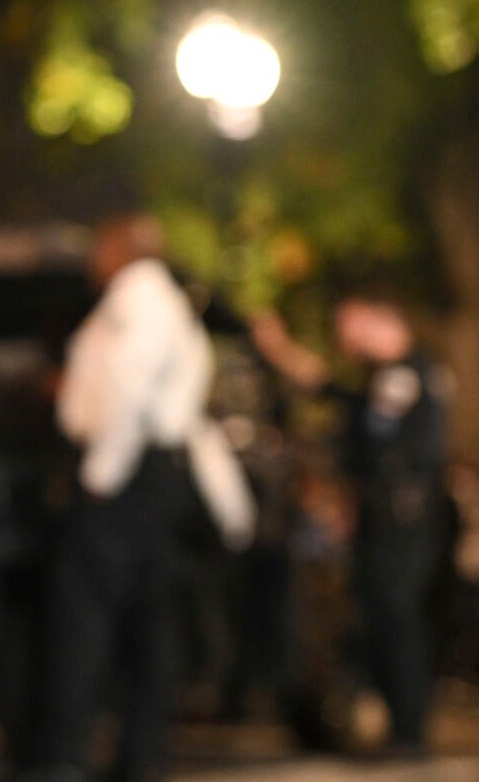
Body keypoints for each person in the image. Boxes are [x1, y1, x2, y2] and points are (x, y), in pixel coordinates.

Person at [31, 215, 213, 782]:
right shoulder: (152, 302)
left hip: (128, 476)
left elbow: (128, 397)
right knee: (143, 622)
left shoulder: (141, 302)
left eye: (101, 246)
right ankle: (135, 754)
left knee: (88, 620)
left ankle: (69, 755)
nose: (93, 258)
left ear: (124, 249)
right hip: (144, 476)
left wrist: (100, 478)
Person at [250, 290, 450, 756]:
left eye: (352, 326)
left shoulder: (409, 375)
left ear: (382, 320)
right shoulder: (381, 381)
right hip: (383, 520)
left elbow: (383, 443)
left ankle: (409, 731)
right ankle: (399, 726)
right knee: (380, 618)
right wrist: (279, 350)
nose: (344, 339)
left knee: (396, 619)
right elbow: (331, 392)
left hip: (404, 521)